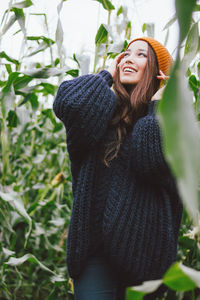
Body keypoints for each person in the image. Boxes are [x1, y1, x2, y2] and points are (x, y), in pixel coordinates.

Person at [53, 37, 183, 300]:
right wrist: (105, 75)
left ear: (159, 72)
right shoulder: (99, 117)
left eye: (141, 55)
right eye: (125, 54)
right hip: (94, 255)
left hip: (146, 258)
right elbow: (68, 102)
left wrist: (158, 107)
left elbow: (151, 159)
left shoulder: (171, 125)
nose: (128, 58)